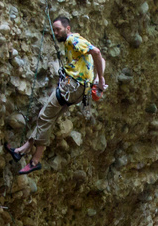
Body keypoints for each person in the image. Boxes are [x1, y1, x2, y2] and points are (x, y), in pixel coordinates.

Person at [6, 15, 107, 175]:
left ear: (68, 28)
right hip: (80, 92)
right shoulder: (78, 41)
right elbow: (100, 57)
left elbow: (97, 52)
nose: (56, 33)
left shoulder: (72, 39)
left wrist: (100, 79)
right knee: (49, 119)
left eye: (58, 29)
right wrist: (96, 79)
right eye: (54, 30)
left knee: (44, 117)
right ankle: (22, 150)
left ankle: (35, 160)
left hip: (71, 88)